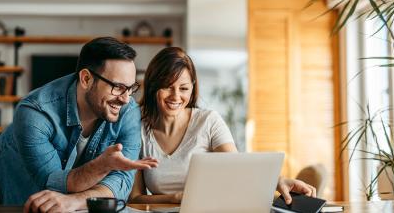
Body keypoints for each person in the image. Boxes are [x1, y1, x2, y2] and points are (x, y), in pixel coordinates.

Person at [0, 37, 158, 212]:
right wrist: (103, 165)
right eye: (117, 87)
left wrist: (77, 200)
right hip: (18, 166)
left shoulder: (129, 111)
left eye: (131, 88)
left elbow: (121, 183)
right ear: (86, 79)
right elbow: (52, 183)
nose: (125, 99)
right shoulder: (35, 113)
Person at [129, 47, 316, 205]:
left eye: (184, 88)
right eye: (168, 87)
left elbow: (238, 167)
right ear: (153, 86)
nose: (176, 96)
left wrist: (278, 180)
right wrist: (176, 198)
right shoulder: (136, 128)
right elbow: (136, 198)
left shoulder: (208, 121)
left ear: (192, 88)